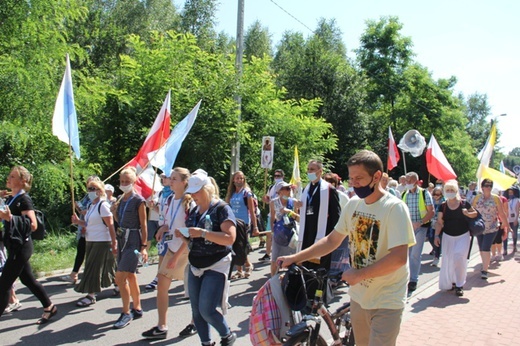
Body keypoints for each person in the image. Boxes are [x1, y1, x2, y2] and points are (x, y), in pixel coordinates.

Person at [279, 150, 415, 346]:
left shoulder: (394, 208)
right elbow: (331, 240)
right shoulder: (353, 205)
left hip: (387, 299)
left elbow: (399, 258)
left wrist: (359, 275)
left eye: (359, 178)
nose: (354, 183)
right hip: (359, 297)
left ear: (376, 176)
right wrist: (295, 258)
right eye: (351, 178)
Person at [175, 171, 237, 346]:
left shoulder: (221, 208)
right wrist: (184, 236)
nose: (194, 195)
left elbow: (229, 238)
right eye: (192, 192)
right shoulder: (194, 210)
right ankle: (206, 342)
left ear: (208, 189)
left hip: (216, 263)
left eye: (197, 191)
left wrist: (203, 233)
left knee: (206, 310)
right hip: (196, 263)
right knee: (196, 311)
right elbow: (194, 239)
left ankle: (227, 335)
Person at [0, 166, 58, 324]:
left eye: (12, 176)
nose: (8, 179)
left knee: (4, 284)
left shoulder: (24, 199)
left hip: (21, 247)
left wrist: (10, 218)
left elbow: (33, 225)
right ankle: (49, 306)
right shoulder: (12, 197)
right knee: (28, 280)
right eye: (9, 176)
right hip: (14, 245)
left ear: (22, 180)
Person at [142, 167, 192, 340]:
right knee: (162, 285)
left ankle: (195, 322)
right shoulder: (170, 199)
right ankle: (161, 326)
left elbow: (190, 232)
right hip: (172, 247)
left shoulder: (189, 202)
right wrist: (163, 228)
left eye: (175, 179)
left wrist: (177, 256)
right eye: (170, 178)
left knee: (194, 289)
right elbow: (169, 222)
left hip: (187, 251)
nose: (170, 181)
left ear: (185, 182)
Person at [110, 167, 148, 329]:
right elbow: (120, 220)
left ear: (133, 182)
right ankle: (137, 307)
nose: (124, 184)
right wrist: (114, 213)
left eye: (127, 181)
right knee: (130, 276)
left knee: (119, 278)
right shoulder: (120, 199)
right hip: (122, 237)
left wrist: (144, 246)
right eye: (122, 181)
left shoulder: (138, 200)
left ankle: (126, 312)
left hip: (133, 240)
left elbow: (143, 225)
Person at [71, 181, 117, 307]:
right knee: (109, 265)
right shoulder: (92, 206)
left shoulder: (103, 205)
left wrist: (114, 242)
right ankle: (118, 283)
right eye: (89, 188)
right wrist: (78, 222)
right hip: (90, 240)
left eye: (93, 188)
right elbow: (88, 224)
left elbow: (111, 225)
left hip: (102, 241)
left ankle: (91, 295)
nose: (90, 190)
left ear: (100, 190)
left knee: (92, 267)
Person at [433, 180, 477, 296]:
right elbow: (439, 222)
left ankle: (459, 284)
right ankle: (451, 282)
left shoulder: (464, 203)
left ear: (456, 191)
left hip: (463, 235)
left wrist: (467, 213)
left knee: (460, 258)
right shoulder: (443, 206)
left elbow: (475, 214)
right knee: (449, 260)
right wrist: (437, 236)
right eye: (447, 190)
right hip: (448, 236)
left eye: (452, 190)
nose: (450, 192)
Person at [296, 159, 341, 271]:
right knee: (306, 267)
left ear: (320, 171)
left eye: (312, 169)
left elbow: (336, 215)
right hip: (307, 234)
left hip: (322, 235)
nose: (309, 172)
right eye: (308, 169)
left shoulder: (329, 189)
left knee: (320, 270)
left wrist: (332, 237)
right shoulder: (306, 189)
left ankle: (319, 289)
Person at [62, 175, 102, 284]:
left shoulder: (100, 201)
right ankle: (75, 274)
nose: (90, 189)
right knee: (82, 251)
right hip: (84, 226)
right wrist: (77, 209)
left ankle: (84, 276)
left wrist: (84, 223)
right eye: (88, 186)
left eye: (92, 186)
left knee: (88, 253)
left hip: (92, 230)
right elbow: (82, 211)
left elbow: (87, 212)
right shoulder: (87, 196)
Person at [402, 172, 434, 293]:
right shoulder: (404, 194)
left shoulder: (424, 193)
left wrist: (419, 222)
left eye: (409, 181)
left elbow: (431, 212)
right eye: (406, 181)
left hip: (420, 227)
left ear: (416, 181)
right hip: (407, 228)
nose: (407, 183)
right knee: (407, 255)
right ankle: (407, 278)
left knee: (415, 254)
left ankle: (413, 280)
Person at [471, 179, 510, 280]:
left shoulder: (496, 198)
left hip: (492, 228)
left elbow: (502, 213)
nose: (488, 188)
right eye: (486, 185)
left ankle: (485, 270)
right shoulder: (477, 198)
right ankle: (485, 263)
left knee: (486, 247)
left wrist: (506, 225)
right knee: (481, 248)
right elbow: (472, 211)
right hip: (479, 228)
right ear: (482, 187)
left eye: (490, 186)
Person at [225, 171, 257, 279]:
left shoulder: (247, 193)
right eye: (238, 178)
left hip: (244, 223)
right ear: (233, 180)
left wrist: (255, 226)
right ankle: (239, 270)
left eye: (242, 178)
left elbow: (252, 211)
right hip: (233, 222)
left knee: (241, 246)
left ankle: (248, 265)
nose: (240, 180)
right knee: (235, 246)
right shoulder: (232, 193)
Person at [145, 174, 173, 290]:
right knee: (162, 253)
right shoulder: (161, 193)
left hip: (171, 229)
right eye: (162, 178)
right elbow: (161, 212)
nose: (163, 179)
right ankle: (159, 278)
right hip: (163, 228)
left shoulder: (175, 194)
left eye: (166, 177)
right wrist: (153, 207)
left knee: (171, 255)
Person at [269, 181, 299, 276]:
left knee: (294, 257)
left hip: (291, 234)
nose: (289, 190)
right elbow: (272, 217)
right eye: (286, 189)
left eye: (289, 188)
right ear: (279, 191)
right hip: (279, 233)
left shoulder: (293, 201)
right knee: (274, 259)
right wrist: (272, 231)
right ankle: (273, 279)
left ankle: (293, 277)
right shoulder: (273, 202)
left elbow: (298, 218)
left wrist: (289, 212)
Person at [260, 169, 286, 261]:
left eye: (278, 176)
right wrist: (266, 200)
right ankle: (267, 254)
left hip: (281, 215)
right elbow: (268, 199)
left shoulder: (285, 187)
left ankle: (281, 255)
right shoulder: (271, 187)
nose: (276, 177)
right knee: (269, 234)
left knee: (280, 236)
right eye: (275, 176)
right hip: (271, 214)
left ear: (282, 176)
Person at [427, 186, 444, 267]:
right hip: (431, 223)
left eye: (438, 194)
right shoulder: (430, 201)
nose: (436, 196)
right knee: (430, 238)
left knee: (437, 240)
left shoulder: (443, 203)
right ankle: (436, 250)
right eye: (434, 194)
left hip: (440, 224)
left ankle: (436, 257)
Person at [491, 190, 508, 262]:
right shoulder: (489, 199)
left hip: (500, 221)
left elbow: (506, 211)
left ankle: (499, 253)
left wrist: (505, 222)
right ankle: (493, 254)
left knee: (498, 238)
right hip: (491, 222)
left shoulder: (503, 199)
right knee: (492, 240)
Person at [504, 187, 519, 255]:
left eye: (511, 192)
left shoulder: (517, 200)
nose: (510, 194)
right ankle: (505, 249)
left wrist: (516, 219)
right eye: (509, 193)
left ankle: (514, 246)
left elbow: (517, 210)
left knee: (514, 234)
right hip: (507, 219)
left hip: (514, 219)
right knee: (505, 234)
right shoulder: (506, 200)